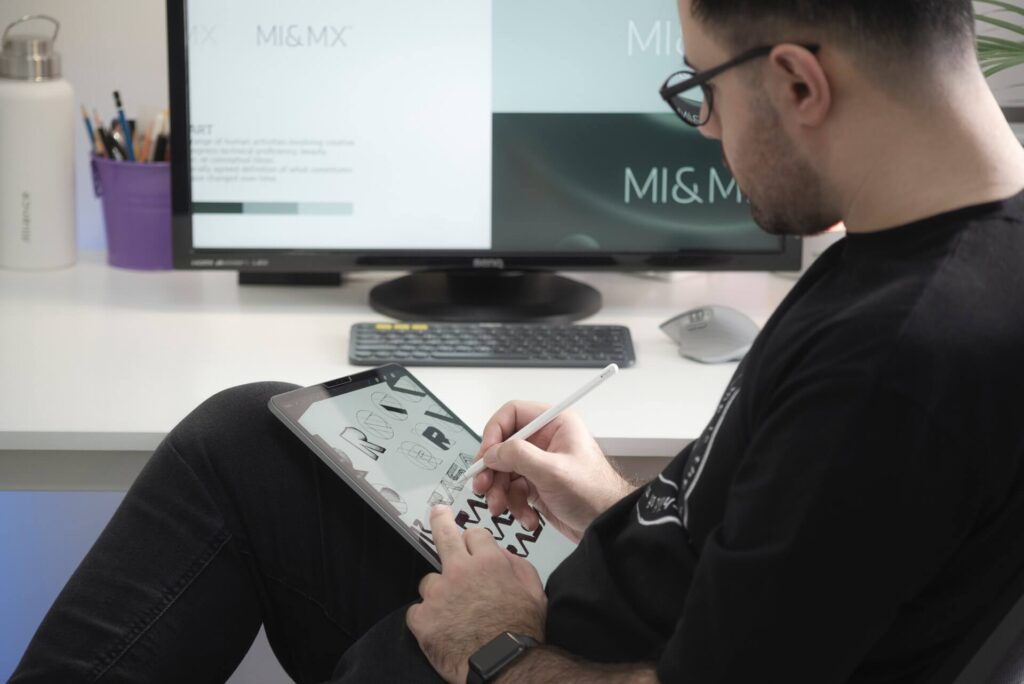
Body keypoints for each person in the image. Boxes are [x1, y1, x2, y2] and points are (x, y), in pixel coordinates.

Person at [11, 0, 1024, 681]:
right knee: (253, 435)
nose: (705, 128)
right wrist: (615, 510)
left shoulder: (900, 361)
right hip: (598, 610)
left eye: (699, 90)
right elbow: (799, 566)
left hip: (539, 660)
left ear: (800, 85)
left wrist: (493, 640)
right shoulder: (928, 249)